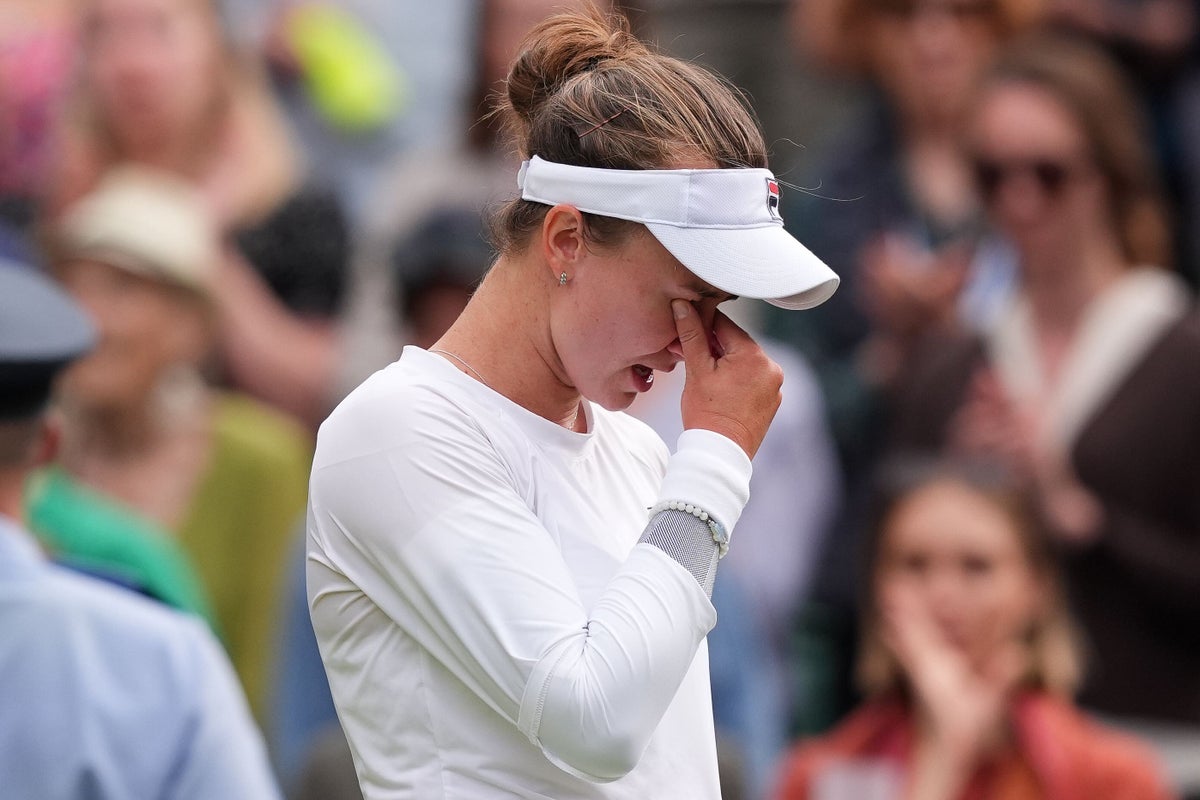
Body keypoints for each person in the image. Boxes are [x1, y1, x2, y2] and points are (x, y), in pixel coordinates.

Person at [306, 7, 840, 799]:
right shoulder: (395, 431)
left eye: (722, 302)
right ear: (565, 241)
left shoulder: (639, 452)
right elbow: (595, 724)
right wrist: (719, 453)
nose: (697, 342)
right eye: (686, 296)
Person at [885, 33, 1200, 792]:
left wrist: (1077, 512)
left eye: (1049, 174)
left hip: (1157, 749)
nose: (1021, 200)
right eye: (994, 176)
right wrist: (954, 490)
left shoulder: (1182, 353)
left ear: (1109, 173)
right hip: (984, 756)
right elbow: (880, 574)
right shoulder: (951, 362)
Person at [32, 166, 313, 721]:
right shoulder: (31, 460)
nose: (91, 318)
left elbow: (271, 687)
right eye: (76, 286)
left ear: (192, 323)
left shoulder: (261, 460)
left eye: (120, 289)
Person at [0, 258, 283, 799]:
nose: (106, 319)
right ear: (47, 444)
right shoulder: (166, 662)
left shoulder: (251, 460)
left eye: (126, 291)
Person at [775, 460, 1174, 800]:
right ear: (878, 587)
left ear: (1037, 587)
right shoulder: (823, 772)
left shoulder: (1111, 778)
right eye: (914, 564)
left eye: (977, 566)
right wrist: (942, 753)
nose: (943, 595)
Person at [50, 0, 350, 427]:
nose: (132, 62)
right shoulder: (60, 205)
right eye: (104, 33)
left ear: (216, 49)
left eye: (160, 29)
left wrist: (191, 237)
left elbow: (315, 395)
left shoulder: (292, 206)